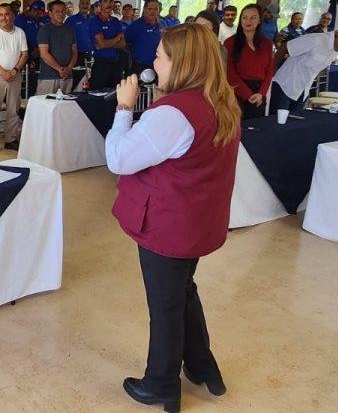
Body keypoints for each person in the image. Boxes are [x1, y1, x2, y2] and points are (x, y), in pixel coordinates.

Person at [107, 23, 241, 413]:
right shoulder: (220, 100)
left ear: (181, 63)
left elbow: (119, 158)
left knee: (165, 304)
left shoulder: (173, 114)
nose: (154, 63)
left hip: (168, 224)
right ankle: (202, 366)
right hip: (197, 220)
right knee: (183, 291)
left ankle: (161, 384)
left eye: (160, 56)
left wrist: (123, 108)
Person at [270, 25, 338, 113]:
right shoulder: (316, 39)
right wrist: (271, 71)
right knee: (275, 121)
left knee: (294, 122)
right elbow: (285, 47)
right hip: (284, 86)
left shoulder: (334, 51)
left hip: (302, 91)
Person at [0, 3, 28, 156]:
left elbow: (24, 54)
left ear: (12, 16)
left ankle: (10, 139)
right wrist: (3, 72)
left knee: (13, 110)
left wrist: (15, 70)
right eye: (0, 14)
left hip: (15, 76)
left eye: (6, 14)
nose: (3, 17)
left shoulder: (20, 33)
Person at [224, 4, 274, 119]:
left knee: (257, 127)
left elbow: (269, 70)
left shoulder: (266, 43)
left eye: (253, 17)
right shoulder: (230, 42)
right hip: (237, 94)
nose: (248, 21)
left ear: (259, 20)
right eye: (244, 17)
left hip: (260, 94)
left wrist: (261, 93)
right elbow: (229, 73)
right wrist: (249, 95)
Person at [36, 0, 78, 95]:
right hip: (49, 77)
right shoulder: (45, 30)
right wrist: (60, 69)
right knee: (45, 103)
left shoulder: (70, 30)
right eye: (57, 11)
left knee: (65, 103)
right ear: (50, 13)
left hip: (67, 77)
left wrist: (69, 68)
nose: (60, 14)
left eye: (63, 11)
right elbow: (44, 54)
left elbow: (74, 52)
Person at [88, 0, 124, 90]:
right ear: (100, 4)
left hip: (116, 64)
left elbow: (122, 43)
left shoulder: (115, 21)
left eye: (111, 1)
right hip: (101, 65)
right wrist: (116, 38)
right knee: (97, 95)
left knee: (115, 94)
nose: (108, 4)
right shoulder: (95, 21)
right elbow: (102, 44)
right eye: (105, 1)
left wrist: (105, 43)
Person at [125, 0, 165, 74]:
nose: (152, 11)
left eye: (155, 9)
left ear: (159, 10)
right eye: (150, 9)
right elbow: (126, 43)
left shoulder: (162, 24)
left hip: (158, 65)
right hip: (139, 66)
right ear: (144, 9)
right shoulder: (136, 25)